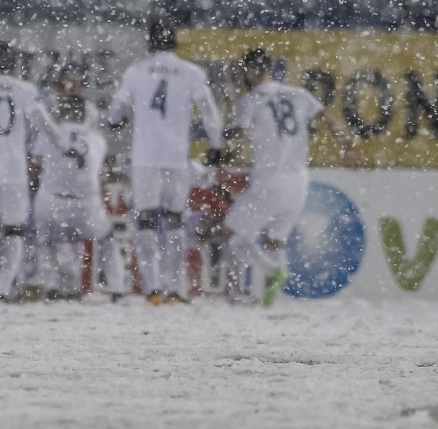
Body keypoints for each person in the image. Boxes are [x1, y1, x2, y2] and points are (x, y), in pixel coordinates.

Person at [223, 48, 358, 306]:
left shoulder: (250, 101)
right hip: (298, 181)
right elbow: (330, 121)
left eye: (244, 71)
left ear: (252, 72)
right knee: (275, 239)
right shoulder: (299, 94)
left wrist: (225, 157)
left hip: (269, 179)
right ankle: (268, 300)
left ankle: (243, 287)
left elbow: (238, 143)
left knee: (233, 233)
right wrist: (348, 150)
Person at [0, 41, 80, 303]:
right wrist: (66, 146)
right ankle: (0, 288)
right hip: (12, 170)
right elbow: (44, 123)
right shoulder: (23, 90)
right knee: (13, 231)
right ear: (12, 65)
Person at [108, 18, 222, 305]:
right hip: (175, 158)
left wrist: (116, 121)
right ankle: (175, 288)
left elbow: (116, 108)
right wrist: (216, 144)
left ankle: (152, 289)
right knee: (174, 222)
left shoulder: (137, 71)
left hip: (145, 157)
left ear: (150, 44)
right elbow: (208, 110)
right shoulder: (191, 72)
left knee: (146, 221)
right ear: (174, 43)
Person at [32, 93, 120, 300]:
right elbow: (100, 171)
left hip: (51, 200)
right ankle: (116, 288)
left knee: (46, 243)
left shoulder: (47, 135)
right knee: (107, 240)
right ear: (84, 115)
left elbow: (35, 165)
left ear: (62, 112)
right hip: (85, 203)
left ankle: (51, 286)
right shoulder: (96, 139)